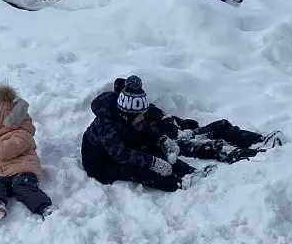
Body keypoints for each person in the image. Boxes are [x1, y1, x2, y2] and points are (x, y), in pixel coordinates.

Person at [82, 75, 214, 193]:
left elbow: (144, 127)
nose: (142, 118)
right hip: (102, 164)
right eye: (140, 115)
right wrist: (153, 163)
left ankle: (189, 171)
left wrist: (162, 139)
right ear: (128, 114)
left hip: (120, 144)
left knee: (154, 150)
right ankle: (176, 184)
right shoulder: (106, 124)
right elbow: (121, 154)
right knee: (140, 171)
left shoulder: (127, 116)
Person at [113, 77, 284, 163]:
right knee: (216, 145)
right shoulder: (130, 123)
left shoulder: (144, 106)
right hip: (176, 144)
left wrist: (184, 123)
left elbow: (164, 118)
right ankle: (255, 156)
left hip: (183, 132)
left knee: (222, 125)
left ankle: (260, 140)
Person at [0, 84, 53, 221]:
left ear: (6, 122)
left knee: (22, 186)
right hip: (4, 174)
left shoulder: (22, 134)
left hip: (23, 171)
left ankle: (44, 207)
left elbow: (4, 151)